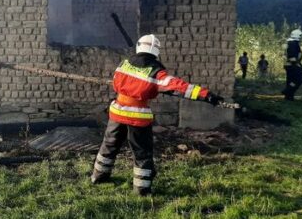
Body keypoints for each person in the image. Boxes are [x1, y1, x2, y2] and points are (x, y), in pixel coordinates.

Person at [90, 34, 224, 196]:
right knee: (142, 153)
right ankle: (141, 190)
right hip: (137, 117)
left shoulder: (123, 64)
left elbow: (116, 82)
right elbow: (180, 87)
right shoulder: (156, 71)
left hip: (117, 112)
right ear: (155, 51)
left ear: (139, 47)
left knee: (109, 146)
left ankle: (98, 177)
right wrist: (207, 95)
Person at [282, 29, 302, 101]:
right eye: (300, 36)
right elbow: (292, 56)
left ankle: (289, 97)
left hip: (289, 65)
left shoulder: (290, 43)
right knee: (299, 79)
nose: (301, 38)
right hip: (292, 65)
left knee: (290, 80)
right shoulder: (293, 43)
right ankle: (288, 90)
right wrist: (297, 65)